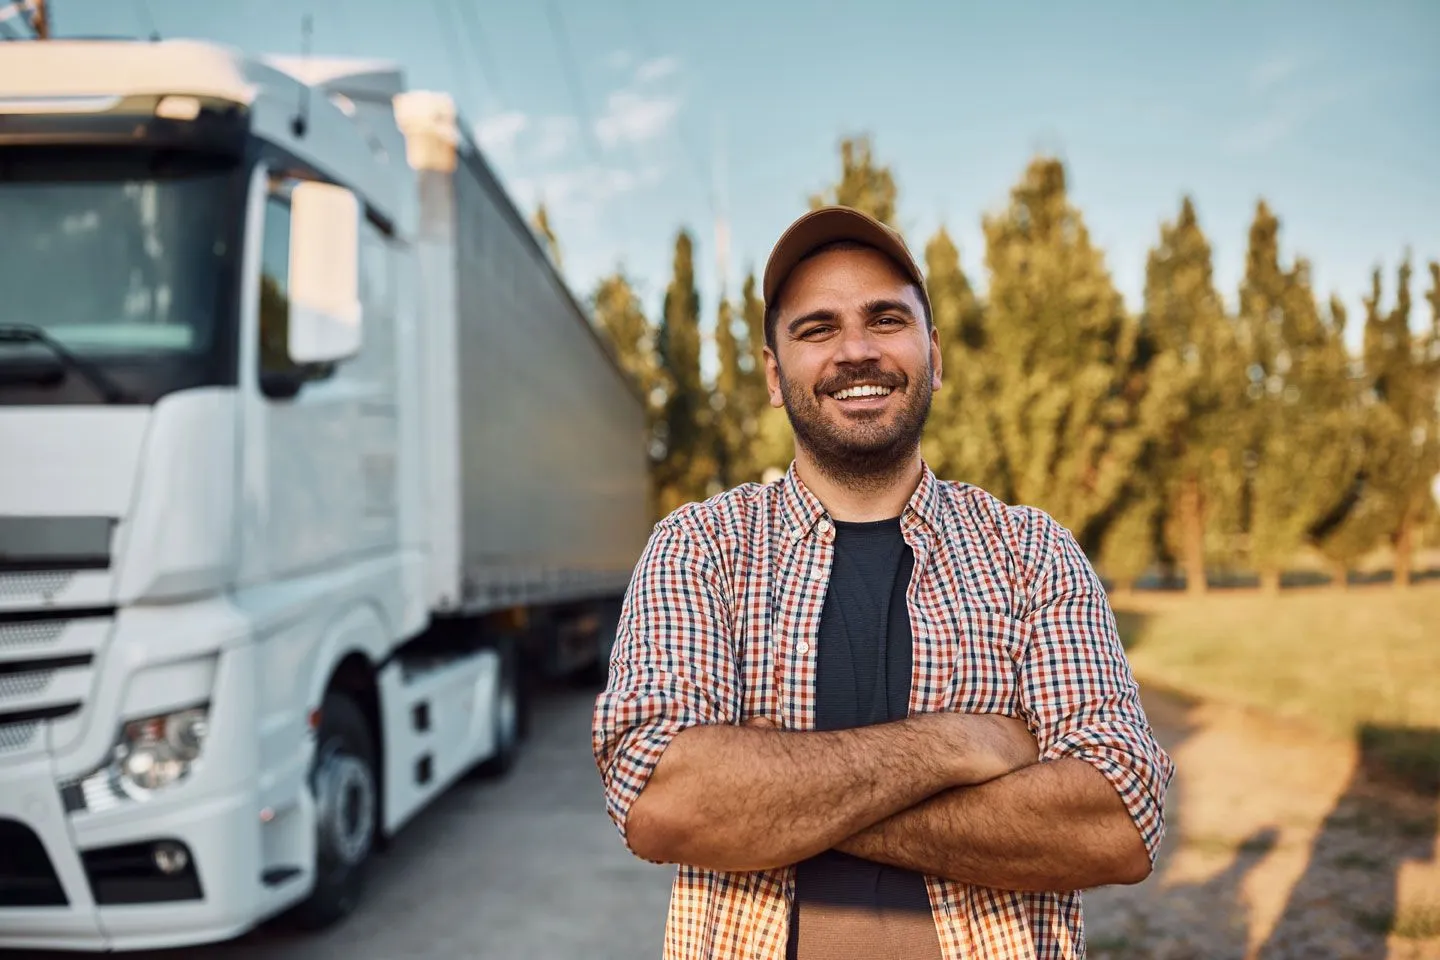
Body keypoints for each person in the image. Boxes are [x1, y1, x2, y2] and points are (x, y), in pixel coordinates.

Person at [591, 205, 1175, 959]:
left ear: (934, 352)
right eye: (817, 329)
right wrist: (956, 745)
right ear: (774, 375)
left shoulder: (1033, 552)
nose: (856, 351)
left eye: (886, 320)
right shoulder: (700, 548)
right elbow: (665, 804)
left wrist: (777, 802)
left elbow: (1118, 823)